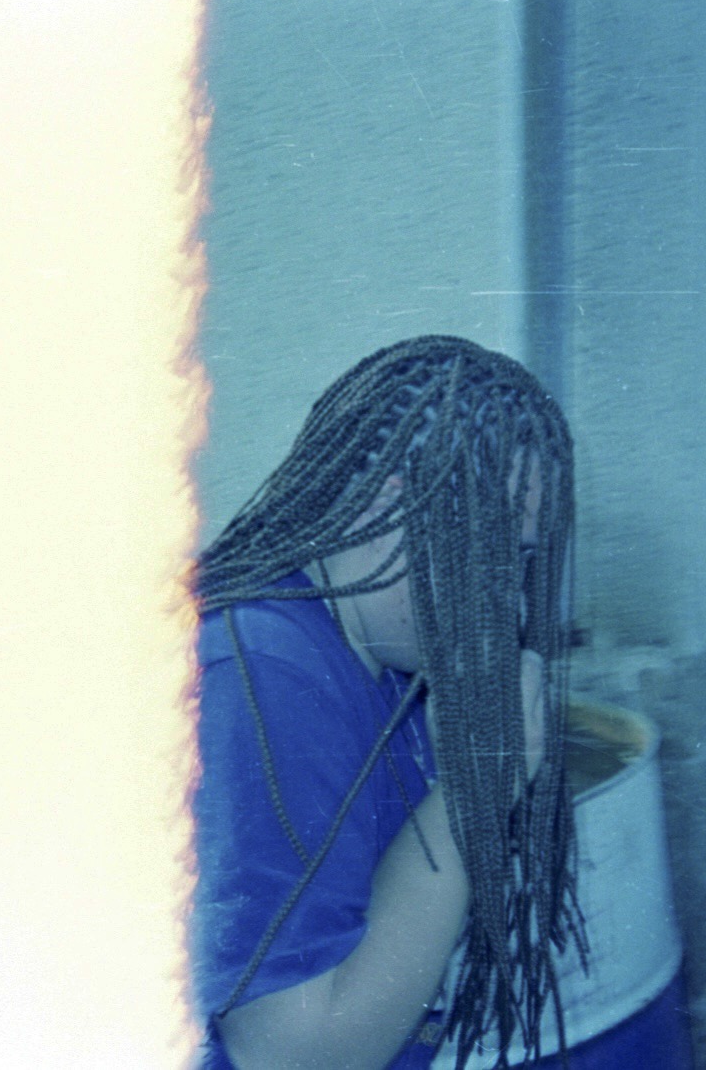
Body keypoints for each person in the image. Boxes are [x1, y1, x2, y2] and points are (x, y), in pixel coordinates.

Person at [189, 336, 586, 1070]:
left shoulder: (392, 650)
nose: (510, 597)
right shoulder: (262, 673)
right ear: (390, 503)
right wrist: (475, 790)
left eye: (525, 558)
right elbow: (291, 1056)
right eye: (494, 547)